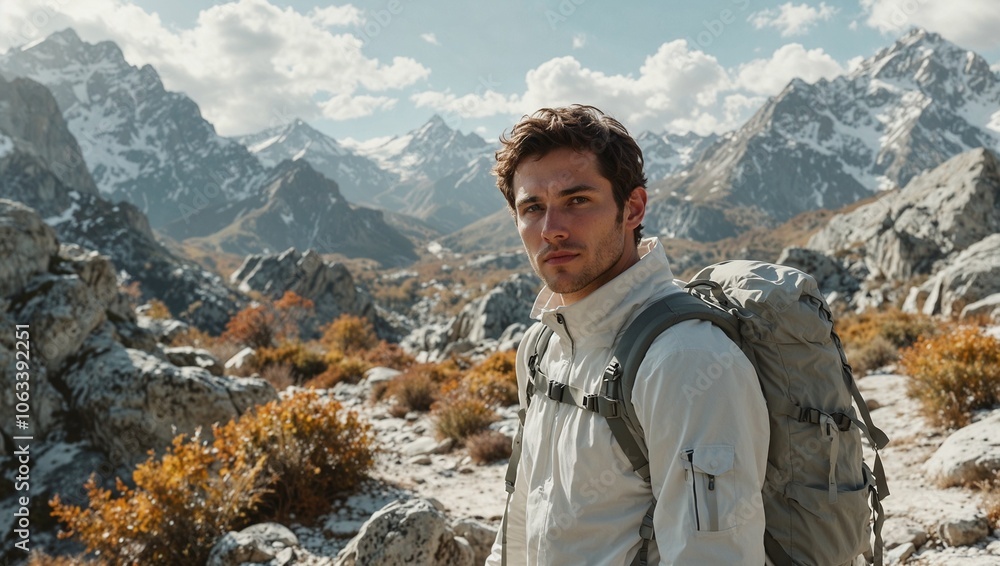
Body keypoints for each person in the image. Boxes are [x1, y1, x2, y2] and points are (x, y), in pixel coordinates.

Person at [485, 105, 770, 565]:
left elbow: (715, 554)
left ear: (632, 208)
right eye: (532, 208)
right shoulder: (540, 347)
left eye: (577, 200)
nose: (551, 230)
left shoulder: (685, 358)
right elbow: (522, 509)